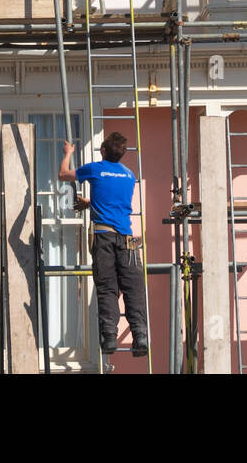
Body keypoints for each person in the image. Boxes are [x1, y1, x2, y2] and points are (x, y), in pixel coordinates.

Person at [59, 132, 148, 357]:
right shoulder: (129, 175)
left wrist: (68, 154)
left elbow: (63, 175)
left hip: (104, 237)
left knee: (108, 288)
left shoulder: (95, 168)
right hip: (127, 240)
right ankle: (140, 336)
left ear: (103, 151)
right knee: (133, 289)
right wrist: (90, 202)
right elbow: (114, 203)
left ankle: (109, 338)